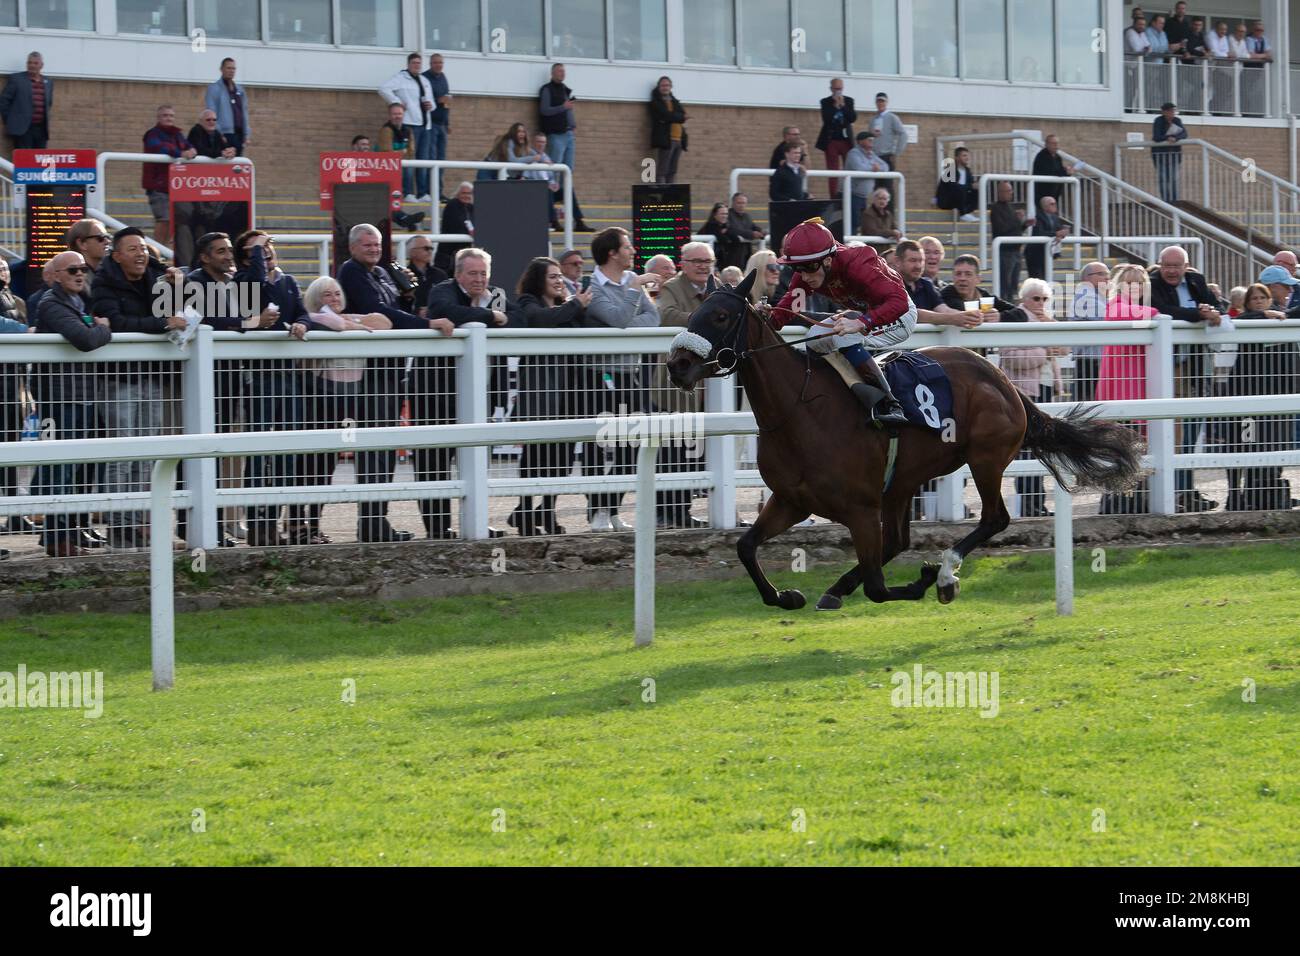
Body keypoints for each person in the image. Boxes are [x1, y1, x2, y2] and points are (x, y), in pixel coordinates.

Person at [338, 223, 442, 542]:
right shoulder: (351, 272)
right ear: (353, 247)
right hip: (370, 372)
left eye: (377, 244)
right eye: (367, 245)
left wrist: (409, 295)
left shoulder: (383, 274)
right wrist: (426, 324)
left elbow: (396, 310)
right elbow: (379, 312)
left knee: (384, 447)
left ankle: (376, 522)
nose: (373, 249)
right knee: (374, 447)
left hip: (391, 368)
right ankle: (370, 523)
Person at [88, 227, 186, 549]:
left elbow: (183, 312)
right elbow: (117, 324)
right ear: (116, 256)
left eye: (143, 248)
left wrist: (179, 288)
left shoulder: (158, 277)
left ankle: (143, 523)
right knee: (122, 454)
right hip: (119, 380)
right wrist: (162, 323)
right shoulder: (103, 283)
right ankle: (120, 528)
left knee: (147, 455)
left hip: (152, 377)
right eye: (132, 249)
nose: (141, 253)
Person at [768, 219, 914, 427]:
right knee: (813, 338)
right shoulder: (805, 276)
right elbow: (790, 307)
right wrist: (767, 319)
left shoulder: (858, 264)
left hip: (899, 315)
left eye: (809, 267)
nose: (804, 275)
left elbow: (899, 302)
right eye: (797, 268)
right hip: (864, 313)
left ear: (828, 260)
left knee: (844, 334)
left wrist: (863, 322)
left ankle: (891, 405)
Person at [423, 248, 517, 539]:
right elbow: (449, 311)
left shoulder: (496, 293)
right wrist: (492, 315)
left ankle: (475, 521)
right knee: (434, 462)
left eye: (483, 273)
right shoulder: (443, 290)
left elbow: (519, 318)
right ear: (458, 274)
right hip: (437, 392)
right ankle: (438, 528)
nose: (479, 279)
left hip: (481, 393)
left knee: (477, 457)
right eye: (472, 273)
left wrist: (498, 315)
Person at [295, 277, 391, 545]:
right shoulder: (313, 317)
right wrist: (355, 326)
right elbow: (333, 323)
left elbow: (384, 322)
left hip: (351, 395)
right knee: (312, 464)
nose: (334, 299)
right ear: (316, 298)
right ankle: (299, 523)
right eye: (327, 295)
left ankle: (314, 523)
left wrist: (353, 323)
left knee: (329, 466)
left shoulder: (348, 317)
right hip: (322, 393)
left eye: (337, 293)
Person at [232, 230, 311, 546]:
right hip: (259, 376)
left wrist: (303, 322)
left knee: (286, 451)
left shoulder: (288, 281)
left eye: (268, 247)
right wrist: (255, 266)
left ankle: (274, 521)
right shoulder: (242, 281)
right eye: (257, 250)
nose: (266, 253)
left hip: (288, 375)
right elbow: (251, 306)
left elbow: (302, 311)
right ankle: (257, 523)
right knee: (259, 450)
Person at [31, 251, 111, 557]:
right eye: (73, 270)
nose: (80, 274)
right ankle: (56, 538)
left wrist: (98, 328)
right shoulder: (52, 303)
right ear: (56, 276)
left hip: (81, 396)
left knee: (74, 468)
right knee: (60, 468)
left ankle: (63, 534)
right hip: (59, 398)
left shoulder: (79, 300)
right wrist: (104, 328)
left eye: (83, 269)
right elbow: (85, 339)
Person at [582, 227, 660, 531]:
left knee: (637, 439)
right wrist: (632, 295)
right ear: (612, 253)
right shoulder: (593, 286)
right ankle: (596, 512)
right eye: (627, 247)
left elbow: (652, 319)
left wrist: (627, 315)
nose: (633, 252)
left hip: (630, 375)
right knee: (598, 445)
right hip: (598, 377)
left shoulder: (630, 282)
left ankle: (611, 508)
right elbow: (617, 319)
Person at [511, 256, 592, 535]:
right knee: (535, 457)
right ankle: (524, 508)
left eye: (560, 276)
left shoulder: (566, 304)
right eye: (553, 277)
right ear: (538, 281)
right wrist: (574, 304)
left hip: (570, 391)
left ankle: (545, 511)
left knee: (563, 458)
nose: (559, 281)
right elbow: (540, 320)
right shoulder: (527, 303)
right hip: (540, 391)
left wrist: (575, 305)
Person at [653, 241, 717, 529]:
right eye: (697, 261)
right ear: (684, 263)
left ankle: (682, 511)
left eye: (708, 260)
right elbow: (665, 316)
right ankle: (666, 513)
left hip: (707, 386)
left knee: (693, 454)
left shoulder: (716, 287)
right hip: (674, 386)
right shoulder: (672, 288)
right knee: (671, 454)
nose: (703, 265)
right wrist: (705, 318)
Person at [1228, 269, 1299, 511]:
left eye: (1263, 299)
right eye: (1255, 300)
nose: (1290, 290)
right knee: (1249, 443)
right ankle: (1243, 496)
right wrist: (1260, 314)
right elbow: (1233, 321)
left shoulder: (1283, 317)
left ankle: (1271, 493)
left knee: (1277, 443)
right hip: (1250, 396)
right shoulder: (1250, 320)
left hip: (1281, 395)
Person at [1000, 279, 1068, 517]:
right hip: (1025, 391)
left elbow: (1064, 349)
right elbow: (1011, 358)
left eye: (1044, 299)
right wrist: (1044, 352)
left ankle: (1038, 503)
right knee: (1027, 448)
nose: (1040, 303)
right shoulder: (1017, 316)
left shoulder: (1046, 319)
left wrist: (1051, 336)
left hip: (1045, 387)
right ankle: (1028, 503)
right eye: (1035, 298)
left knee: (1042, 448)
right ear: (1024, 299)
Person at [538, 63, 592, 231]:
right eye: (559, 71)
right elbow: (545, 110)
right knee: (554, 174)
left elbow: (568, 111)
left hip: (568, 134)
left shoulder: (565, 90)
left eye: (564, 71)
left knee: (567, 172)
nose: (562, 74)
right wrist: (564, 107)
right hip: (556, 134)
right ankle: (552, 216)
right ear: (552, 72)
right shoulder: (547, 89)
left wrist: (573, 124)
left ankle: (576, 220)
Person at [380, 52, 435, 201]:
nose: (417, 65)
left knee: (423, 160)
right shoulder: (401, 78)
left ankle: (423, 193)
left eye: (419, 63)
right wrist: (397, 102)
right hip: (410, 124)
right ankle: (408, 192)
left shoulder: (424, 80)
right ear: (409, 64)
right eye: (414, 63)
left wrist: (431, 105)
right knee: (409, 159)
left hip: (426, 125)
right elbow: (383, 89)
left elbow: (432, 102)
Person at [142, 105, 196, 245]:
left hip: (176, 186)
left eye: (171, 115)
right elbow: (158, 148)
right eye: (165, 115)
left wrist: (191, 150)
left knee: (181, 220)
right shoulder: (152, 134)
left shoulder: (178, 134)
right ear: (158, 118)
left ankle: (165, 251)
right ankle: (157, 251)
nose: (168, 118)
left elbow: (188, 146)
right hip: (158, 186)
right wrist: (180, 153)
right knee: (164, 220)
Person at [1069, 262, 1110, 402]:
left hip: (1094, 359)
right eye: (1101, 274)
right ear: (1087, 278)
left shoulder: (1099, 296)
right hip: (1089, 361)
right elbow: (1108, 316)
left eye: (1107, 274)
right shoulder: (1085, 296)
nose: (1107, 278)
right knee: (1088, 405)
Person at [0, 51, 52, 149]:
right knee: (24, 160)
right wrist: (11, 120)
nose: (32, 65)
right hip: (22, 129)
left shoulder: (48, 82)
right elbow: (4, 102)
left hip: (41, 130)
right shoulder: (16, 79)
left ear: (41, 65)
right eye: (29, 62)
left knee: (39, 159)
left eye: (35, 63)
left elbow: (49, 104)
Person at [816, 78, 856, 198]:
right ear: (831, 89)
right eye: (836, 89)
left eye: (840, 88)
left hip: (846, 140)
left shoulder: (849, 101)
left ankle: (848, 194)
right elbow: (826, 119)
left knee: (849, 168)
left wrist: (843, 106)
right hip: (831, 139)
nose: (838, 91)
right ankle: (833, 196)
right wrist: (834, 105)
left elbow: (852, 118)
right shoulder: (825, 102)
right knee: (833, 170)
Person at [991, 181, 1031, 296]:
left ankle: (1012, 302)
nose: (1011, 193)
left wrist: (1024, 224)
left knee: (1014, 283)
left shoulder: (1010, 207)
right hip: (1005, 251)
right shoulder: (996, 208)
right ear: (1000, 192)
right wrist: (1017, 220)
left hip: (1016, 250)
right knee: (1005, 283)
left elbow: (1015, 229)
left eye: (1011, 191)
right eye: (1008, 191)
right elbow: (1001, 229)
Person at [203, 58, 250, 156]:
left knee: (237, 167)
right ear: (221, 69)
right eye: (228, 68)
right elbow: (211, 113)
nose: (231, 71)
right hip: (224, 134)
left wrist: (246, 134)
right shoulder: (214, 89)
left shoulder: (240, 90)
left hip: (239, 135)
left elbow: (244, 112)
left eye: (233, 69)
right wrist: (219, 133)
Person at [844, 132, 889, 231]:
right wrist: (872, 168)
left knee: (860, 222)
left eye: (873, 140)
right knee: (853, 223)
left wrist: (875, 168)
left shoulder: (871, 155)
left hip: (863, 196)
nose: (872, 142)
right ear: (860, 141)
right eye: (869, 140)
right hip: (852, 195)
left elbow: (885, 166)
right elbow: (858, 167)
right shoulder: (853, 153)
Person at [516, 130, 562, 229]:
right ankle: (553, 221)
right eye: (539, 142)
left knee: (568, 190)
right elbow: (525, 177)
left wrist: (554, 184)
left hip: (547, 187)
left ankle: (579, 221)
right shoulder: (530, 156)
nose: (541, 144)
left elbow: (551, 178)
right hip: (535, 188)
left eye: (543, 142)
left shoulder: (547, 158)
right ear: (534, 143)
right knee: (547, 189)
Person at [422, 53, 452, 199]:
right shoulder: (425, 78)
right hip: (431, 124)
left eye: (441, 63)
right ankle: (430, 191)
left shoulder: (444, 77)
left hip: (442, 124)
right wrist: (437, 100)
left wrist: (448, 123)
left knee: (441, 160)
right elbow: (422, 100)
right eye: (435, 63)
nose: (438, 65)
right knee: (432, 158)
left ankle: (438, 192)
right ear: (430, 63)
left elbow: (447, 101)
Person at [648, 76, 687, 185]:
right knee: (663, 170)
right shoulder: (655, 102)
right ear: (659, 87)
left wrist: (678, 117)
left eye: (667, 85)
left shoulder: (674, 101)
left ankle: (671, 194)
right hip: (666, 140)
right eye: (663, 85)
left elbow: (682, 115)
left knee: (673, 170)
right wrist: (679, 117)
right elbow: (666, 116)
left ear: (671, 87)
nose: (665, 87)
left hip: (678, 139)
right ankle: (662, 194)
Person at [867, 92, 906, 200]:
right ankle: (877, 214)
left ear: (886, 102)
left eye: (882, 101)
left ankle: (889, 215)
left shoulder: (892, 117)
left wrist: (896, 153)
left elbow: (903, 134)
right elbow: (869, 137)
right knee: (876, 187)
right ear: (876, 102)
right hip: (874, 158)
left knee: (887, 188)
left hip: (887, 156)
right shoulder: (873, 120)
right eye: (878, 101)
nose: (880, 103)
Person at [434, 181, 474, 274]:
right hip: (447, 256)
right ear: (458, 194)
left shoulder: (471, 207)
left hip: (462, 254)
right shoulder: (452, 205)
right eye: (464, 193)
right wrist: (471, 232)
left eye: (469, 193)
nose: (467, 196)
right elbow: (457, 225)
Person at [1151, 102, 1187, 204]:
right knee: (1163, 178)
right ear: (1164, 112)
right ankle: (1165, 201)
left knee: (1174, 179)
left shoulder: (1177, 120)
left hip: (1174, 154)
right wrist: (1168, 137)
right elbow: (1156, 137)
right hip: (1160, 155)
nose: (1172, 113)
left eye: (1173, 110)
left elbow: (1184, 134)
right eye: (1170, 111)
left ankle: (1174, 201)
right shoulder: (1158, 121)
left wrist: (1175, 138)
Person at [1027, 195, 1068, 281]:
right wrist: (1056, 233)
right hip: (1035, 254)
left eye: (1055, 203)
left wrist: (1062, 233)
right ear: (1045, 206)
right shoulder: (1038, 216)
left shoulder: (1055, 217)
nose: (1055, 205)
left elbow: (1058, 229)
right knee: (1037, 279)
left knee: (1046, 278)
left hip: (1047, 253)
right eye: (1052, 204)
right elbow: (1039, 233)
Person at [934, 146, 978, 220]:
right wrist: (970, 186)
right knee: (960, 189)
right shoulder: (950, 171)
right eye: (964, 155)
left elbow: (971, 185)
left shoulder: (967, 171)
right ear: (957, 158)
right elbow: (953, 188)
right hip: (947, 201)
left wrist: (975, 186)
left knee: (977, 189)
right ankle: (963, 214)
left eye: (967, 155)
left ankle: (968, 212)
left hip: (961, 201)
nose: (967, 158)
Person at [724, 193, 766, 271]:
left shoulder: (747, 216)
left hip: (746, 253)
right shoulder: (727, 215)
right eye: (739, 203)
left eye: (743, 203)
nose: (741, 205)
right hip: (732, 254)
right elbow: (732, 229)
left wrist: (761, 231)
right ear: (733, 203)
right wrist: (751, 234)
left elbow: (753, 227)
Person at [1031, 134, 1074, 209]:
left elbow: (1059, 171)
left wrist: (1068, 172)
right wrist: (1064, 172)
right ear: (1047, 144)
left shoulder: (1058, 157)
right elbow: (1049, 172)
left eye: (1057, 143)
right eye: (1053, 143)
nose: (1056, 146)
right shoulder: (1042, 156)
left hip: (1054, 193)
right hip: (1043, 193)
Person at [699, 202, 740, 268]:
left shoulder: (726, 227)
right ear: (715, 215)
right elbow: (724, 240)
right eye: (722, 214)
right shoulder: (710, 226)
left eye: (726, 214)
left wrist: (727, 232)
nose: (724, 216)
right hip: (706, 261)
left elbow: (736, 240)